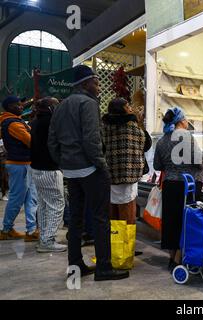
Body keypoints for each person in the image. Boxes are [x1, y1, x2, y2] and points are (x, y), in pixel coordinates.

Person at [48, 65, 129, 281]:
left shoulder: (61, 106)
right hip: (91, 169)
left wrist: (64, 163)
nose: (99, 86)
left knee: (75, 220)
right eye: (96, 81)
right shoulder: (89, 104)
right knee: (101, 218)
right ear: (85, 83)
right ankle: (104, 267)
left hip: (71, 171)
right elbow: (92, 140)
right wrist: (101, 165)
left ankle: (75, 265)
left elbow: (52, 141)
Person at [153, 107, 203, 272]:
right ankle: (179, 260)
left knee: (171, 221)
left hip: (169, 185)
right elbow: (199, 162)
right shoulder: (187, 137)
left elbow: (157, 165)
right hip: (187, 185)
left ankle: (171, 258)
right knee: (185, 221)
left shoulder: (162, 140)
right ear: (182, 121)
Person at [102, 98, 149, 226]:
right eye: (127, 106)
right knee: (127, 213)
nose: (130, 108)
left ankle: (113, 240)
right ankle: (125, 243)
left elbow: (101, 148)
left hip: (110, 174)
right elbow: (147, 144)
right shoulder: (132, 126)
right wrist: (139, 122)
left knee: (112, 211)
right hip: (129, 175)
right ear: (122, 109)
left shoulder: (104, 127)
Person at [30, 97, 67, 253]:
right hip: (49, 169)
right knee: (57, 204)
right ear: (51, 108)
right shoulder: (51, 122)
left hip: (37, 168)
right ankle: (48, 240)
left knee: (44, 205)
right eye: (56, 105)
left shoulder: (36, 121)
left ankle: (44, 238)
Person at [0, 96, 38, 241]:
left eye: (21, 104)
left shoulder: (12, 121)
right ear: (9, 107)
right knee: (16, 199)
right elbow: (30, 141)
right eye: (18, 105)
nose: (21, 107)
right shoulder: (13, 124)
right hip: (19, 165)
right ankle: (6, 229)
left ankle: (31, 231)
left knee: (31, 199)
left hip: (24, 164)